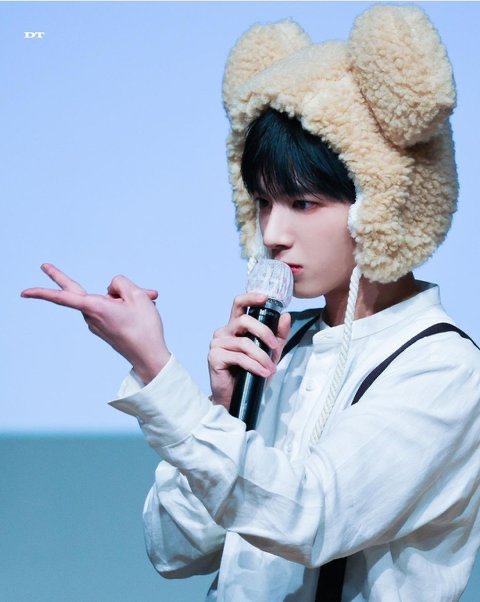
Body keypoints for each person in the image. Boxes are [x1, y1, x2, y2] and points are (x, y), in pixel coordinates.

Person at [21, 4, 480, 601]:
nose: (273, 233)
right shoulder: (285, 346)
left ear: (386, 201)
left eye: (303, 204)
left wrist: (159, 373)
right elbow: (172, 549)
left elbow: (309, 516)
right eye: (264, 202)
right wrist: (224, 406)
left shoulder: (445, 369)